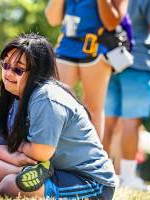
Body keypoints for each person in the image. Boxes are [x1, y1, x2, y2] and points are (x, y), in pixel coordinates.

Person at [0, 33, 117, 199]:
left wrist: (16, 144)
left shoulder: (47, 98)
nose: (8, 73)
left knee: (8, 186)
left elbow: (41, 152)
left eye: (18, 69)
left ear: (37, 72)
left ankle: (37, 179)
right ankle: (34, 174)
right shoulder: (4, 100)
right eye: (5, 65)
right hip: (48, 167)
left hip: (89, 180)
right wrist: (18, 160)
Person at [103, 0, 150, 191]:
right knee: (131, 122)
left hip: (109, 60)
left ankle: (100, 173)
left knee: (105, 121)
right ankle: (128, 176)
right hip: (139, 61)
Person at [45, 0, 129, 137]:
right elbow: (52, 19)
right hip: (66, 46)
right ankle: (51, 152)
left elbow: (112, 23)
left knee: (92, 110)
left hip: (96, 48)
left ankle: (93, 157)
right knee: (54, 103)